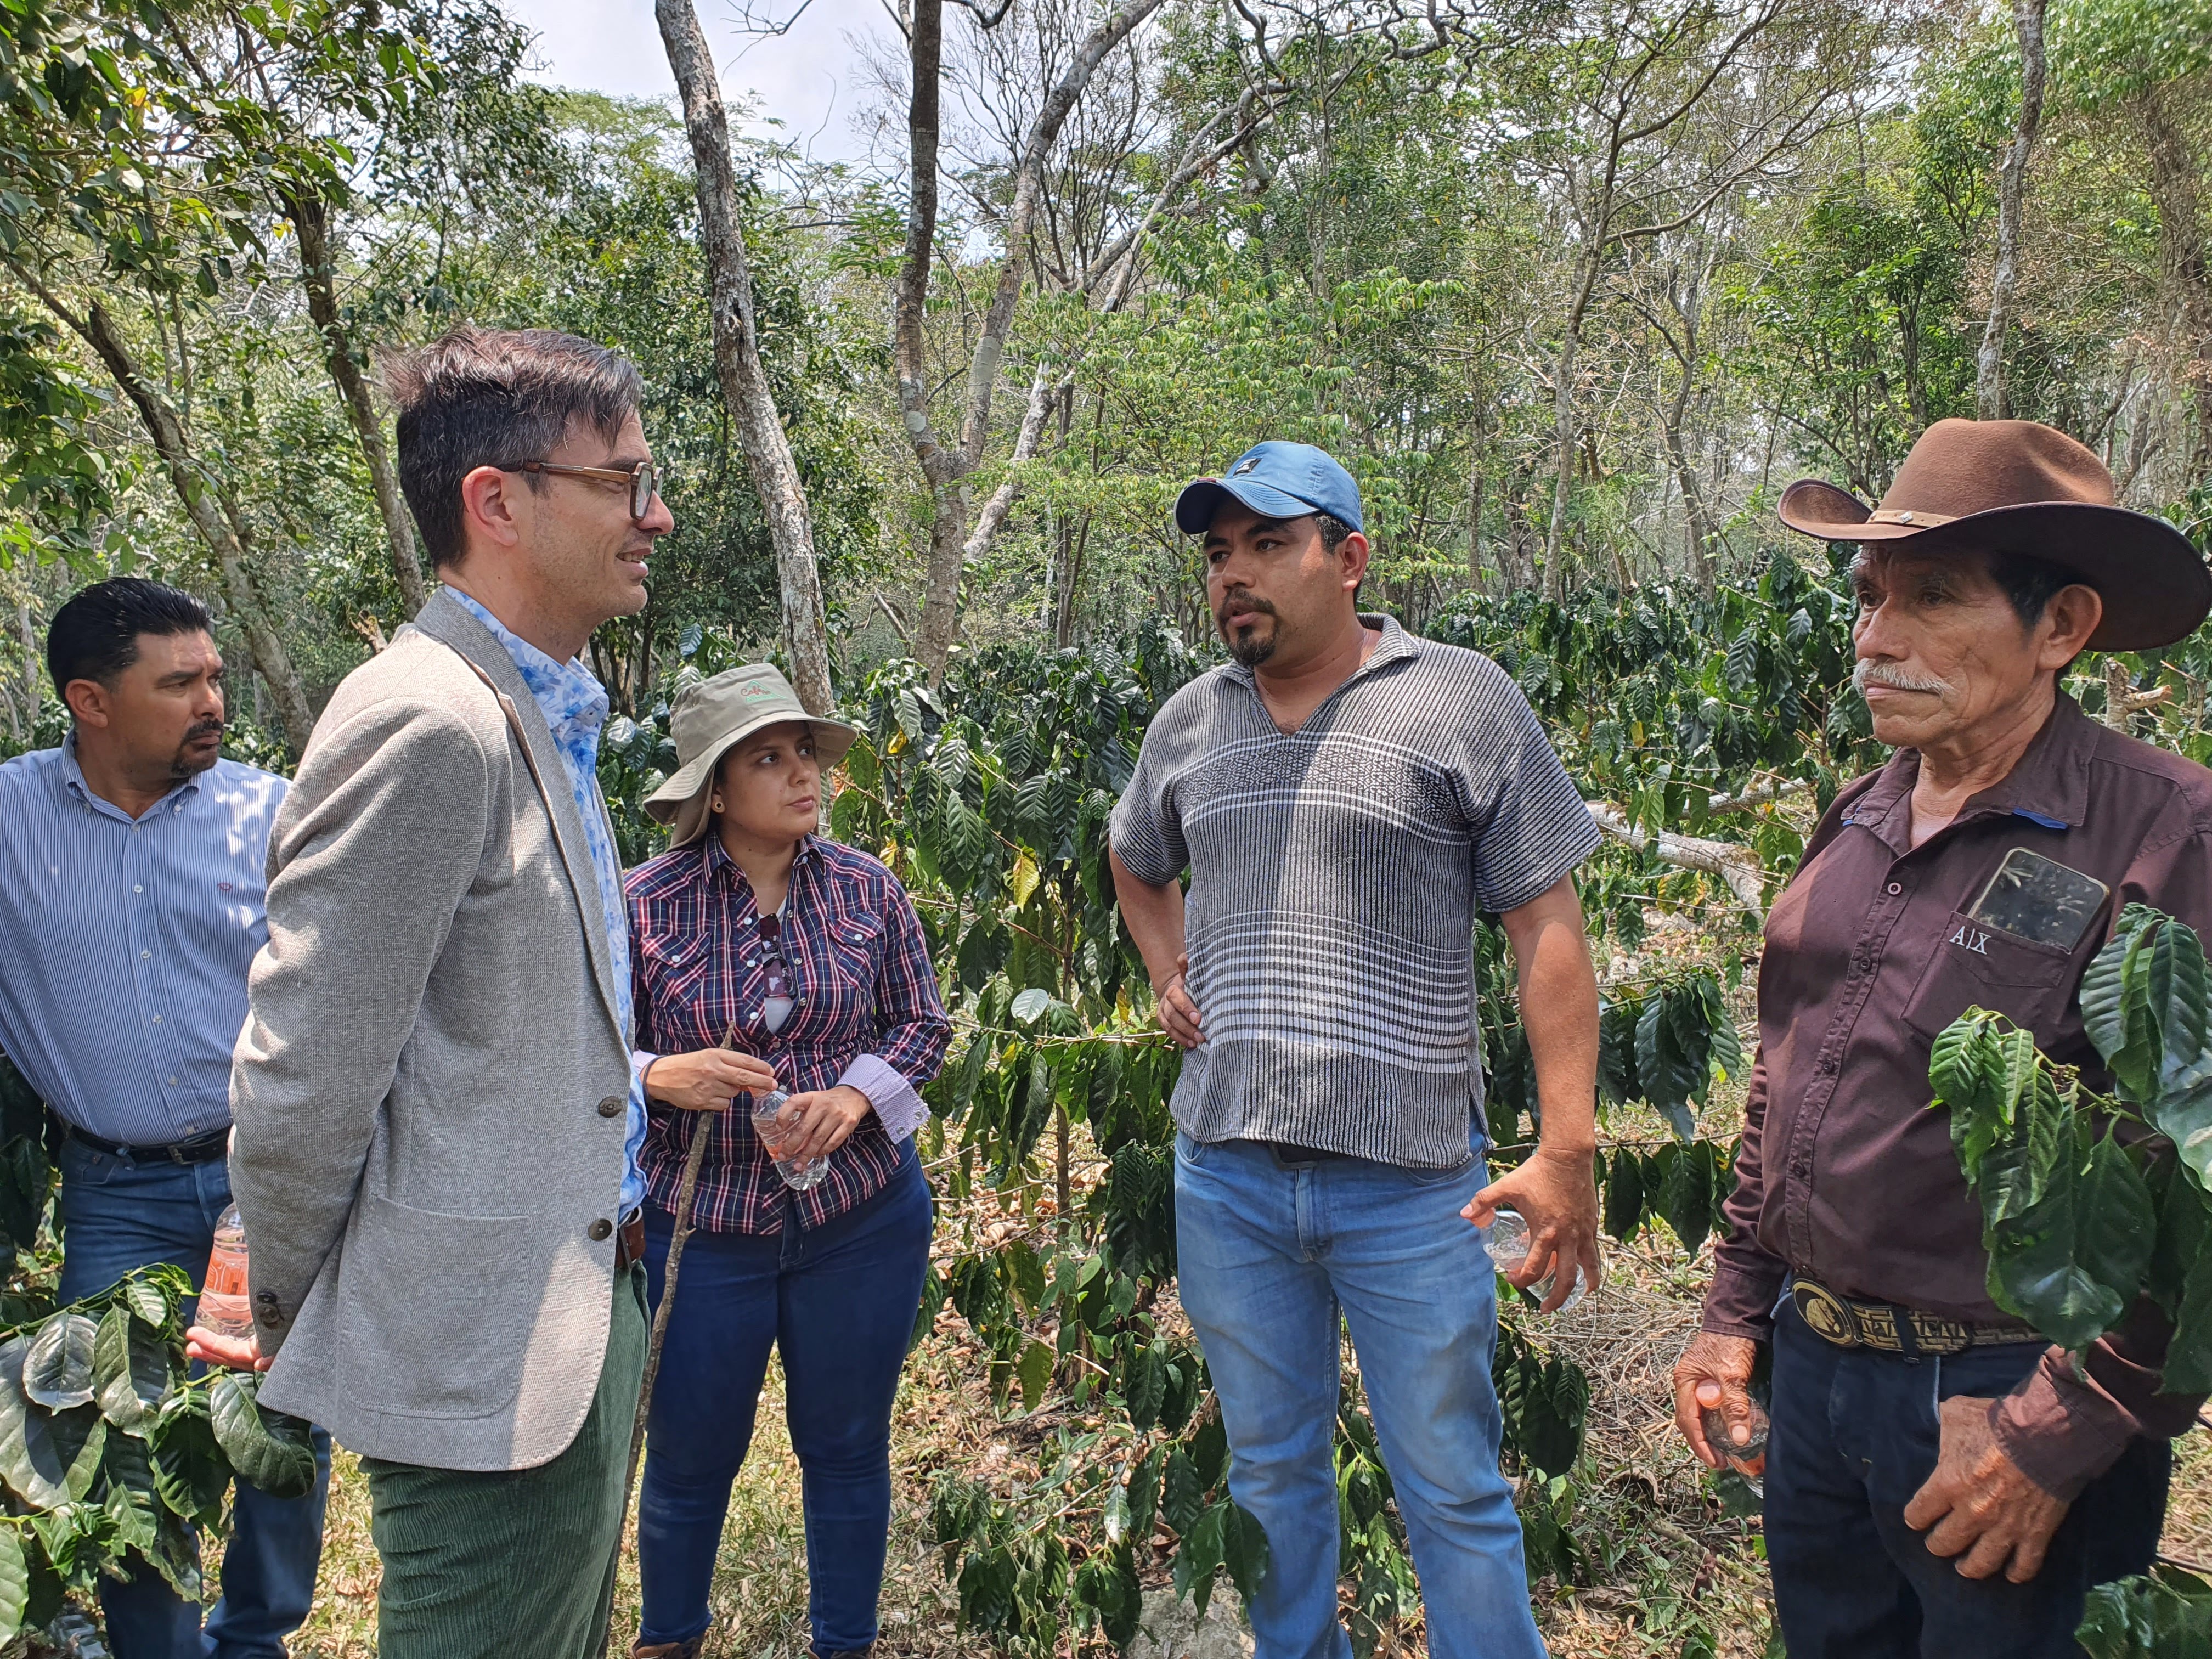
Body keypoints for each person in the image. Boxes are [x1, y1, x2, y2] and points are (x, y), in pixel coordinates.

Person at [1672, 418, 2212, 1659]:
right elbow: (1789, 1073)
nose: (1874, 638)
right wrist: (1736, 1312)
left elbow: (2197, 1189)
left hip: (2003, 1393)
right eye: (1867, 598)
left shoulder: (2165, 833)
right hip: (1817, 1380)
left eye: (1932, 598)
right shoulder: (1862, 811)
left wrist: (2058, 1431)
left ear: (2061, 630)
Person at [216, 326, 673, 1658]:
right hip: (482, 1342)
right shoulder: (430, 716)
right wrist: (334, 1312)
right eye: (622, 481)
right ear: (498, 502)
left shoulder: (545, 706)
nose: (653, 514)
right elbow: (303, 1075)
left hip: (579, 1307)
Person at [1108, 440, 1606, 1659]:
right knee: (1273, 1482)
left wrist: (1568, 1145)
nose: (1236, 577)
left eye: (1269, 545)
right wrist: (1169, 970)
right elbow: (1133, 856)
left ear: (1350, 557)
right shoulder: (1192, 722)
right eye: (1221, 554)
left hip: (1416, 1188)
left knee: (1452, 1487)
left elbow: (1545, 919)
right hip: (1226, 1174)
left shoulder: (1461, 696)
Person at [0, 578, 330, 1658]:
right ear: (90, 702)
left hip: (264, 1174)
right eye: (179, 682)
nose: (212, 702)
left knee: (280, 1424)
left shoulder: (271, 813)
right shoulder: (10, 824)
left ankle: (257, 1639)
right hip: (113, 1191)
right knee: (119, 1443)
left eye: (216, 677)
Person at [623, 664, 952, 1659]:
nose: (803, 774)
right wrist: (656, 1074)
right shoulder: (645, 905)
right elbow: (576, 1044)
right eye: (770, 758)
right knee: (689, 1458)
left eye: (805, 752)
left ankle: (842, 1643)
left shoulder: (866, 889)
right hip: (703, 1227)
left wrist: (855, 1096)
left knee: (847, 1447)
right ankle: (670, 1637)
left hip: (859, 1223)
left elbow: (922, 1022)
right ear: (716, 789)